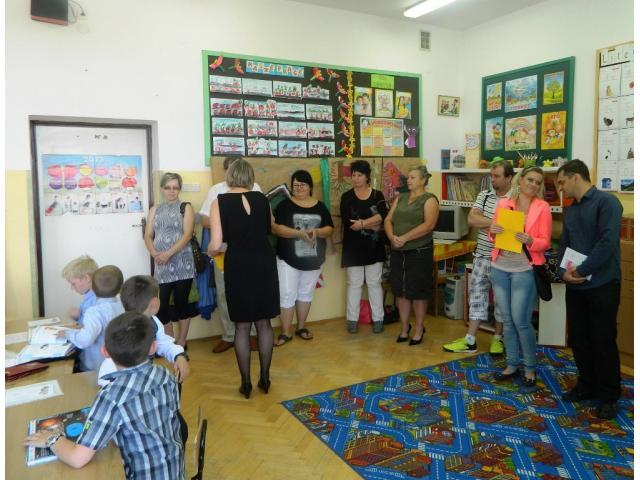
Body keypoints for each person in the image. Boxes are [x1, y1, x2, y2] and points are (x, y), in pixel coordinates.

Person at [25, 312, 184, 479]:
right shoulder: (165, 375)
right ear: (153, 347)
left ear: (105, 352)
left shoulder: (111, 397)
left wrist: (52, 439)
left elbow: (77, 458)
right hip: (174, 471)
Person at [556, 159, 623, 419]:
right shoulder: (571, 209)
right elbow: (564, 243)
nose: (561, 188)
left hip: (603, 284)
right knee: (579, 339)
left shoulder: (608, 203)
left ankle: (609, 395)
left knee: (602, 339)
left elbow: (607, 243)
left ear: (576, 177)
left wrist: (582, 270)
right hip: (576, 285)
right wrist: (563, 272)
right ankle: (587, 385)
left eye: (562, 182)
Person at [208, 158, 279, 398]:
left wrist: (210, 251)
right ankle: (265, 378)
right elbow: (270, 227)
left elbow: (216, 244)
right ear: (250, 176)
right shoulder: (262, 199)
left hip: (238, 263)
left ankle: (246, 383)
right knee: (264, 323)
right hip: (264, 261)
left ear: (230, 176)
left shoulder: (219, 202)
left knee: (242, 325)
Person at [489, 166, 551, 387]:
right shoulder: (504, 203)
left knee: (521, 320)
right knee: (506, 319)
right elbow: (493, 234)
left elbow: (545, 242)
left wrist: (531, 240)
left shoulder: (542, 207)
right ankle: (512, 364)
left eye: (538, 182)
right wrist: (493, 231)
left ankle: (530, 367)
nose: (533, 185)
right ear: (521, 180)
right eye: (530, 180)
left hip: (524, 269)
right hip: (500, 267)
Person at [443, 160, 514, 354]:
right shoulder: (484, 195)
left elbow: (514, 227)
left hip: (504, 258)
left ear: (509, 177)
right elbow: (472, 219)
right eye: (491, 175)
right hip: (482, 255)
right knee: (476, 296)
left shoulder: (516, 198)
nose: (493, 179)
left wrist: (487, 223)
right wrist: (494, 224)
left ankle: (498, 339)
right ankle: (470, 340)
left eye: (497, 176)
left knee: (501, 300)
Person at [199, 156, 261, 354]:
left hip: (250, 248)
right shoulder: (216, 190)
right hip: (223, 248)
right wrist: (228, 223)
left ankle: (251, 335)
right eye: (230, 169)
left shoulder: (255, 188)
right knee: (224, 293)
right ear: (225, 170)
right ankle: (229, 335)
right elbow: (204, 220)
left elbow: (262, 219)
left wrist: (230, 221)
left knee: (251, 291)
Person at [272, 170, 334, 345]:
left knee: (306, 294)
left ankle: (301, 327)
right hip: (287, 259)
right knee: (286, 294)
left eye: (303, 184)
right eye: (295, 185)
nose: (299, 188)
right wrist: (299, 234)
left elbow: (329, 229)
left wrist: (317, 232)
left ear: (310, 187)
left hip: (314, 260)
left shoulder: (320, 207)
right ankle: (285, 332)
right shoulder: (284, 206)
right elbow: (275, 228)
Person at [383, 165, 439, 346]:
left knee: (418, 292)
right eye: (408, 177)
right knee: (401, 291)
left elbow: (428, 225)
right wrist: (392, 237)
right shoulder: (401, 197)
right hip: (398, 251)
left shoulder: (429, 200)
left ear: (423, 180)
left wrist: (404, 238)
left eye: (413, 177)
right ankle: (404, 327)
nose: (408, 180)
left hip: (419, 252)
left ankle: (419, 328)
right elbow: (388, 220)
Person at [98, 275, 189, 384]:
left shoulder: (154, 322)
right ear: (155, 302)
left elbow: (163, 343)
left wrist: (178, 355)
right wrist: (109, 385)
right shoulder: (120, 327)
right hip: (119, 382)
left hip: (144, 377)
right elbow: (110, 364)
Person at [144, 172, 195, 348]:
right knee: (161, 306)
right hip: (161, 264)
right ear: (162, 189)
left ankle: (182, 341)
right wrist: (155, 254)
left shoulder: (186, 207)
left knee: (182, 304)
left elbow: (187, 235)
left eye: (175, 187)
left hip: (182, 264)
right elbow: (148, 235)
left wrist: (168, 254)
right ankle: (170, 342)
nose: (171, 191)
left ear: (179, 189)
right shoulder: (155, 209)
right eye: (167, 187)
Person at [340, 160, 388, 334]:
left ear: (367, 177)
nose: (356, 178)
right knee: (354, 284)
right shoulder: (346, 197)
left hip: (374, 247)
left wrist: (362, 223)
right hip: (353, 248)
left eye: (359, 175)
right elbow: (348, 223)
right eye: (353, 175)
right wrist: (372, 223)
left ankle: (378, 319)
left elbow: (384, 216)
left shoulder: (377, 195)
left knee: (375, 283)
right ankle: (352, 320)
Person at [63, 265, 124, 372]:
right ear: (120, 288)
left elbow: (85, 340)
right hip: (117, 364)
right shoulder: (122, 307)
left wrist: (67, 334)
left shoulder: (94, 311)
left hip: (95, 367)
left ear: (93, 287)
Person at [61, 255, 99, 326]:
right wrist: (77, 317)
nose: (72, 288)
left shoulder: (96, 301)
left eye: (73, 284)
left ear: (86, 278)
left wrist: (77, 317)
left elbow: (90, 326)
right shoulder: (88, 298)